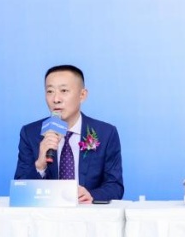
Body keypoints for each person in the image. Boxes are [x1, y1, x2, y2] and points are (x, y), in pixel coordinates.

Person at [14, 65, 124, 203]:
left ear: (82, 95)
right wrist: (40, 165)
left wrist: (91, 195)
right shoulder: (31, 133)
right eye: (50, 91)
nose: (56, 99)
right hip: (46, 213)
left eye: (64, 90)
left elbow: (115, 186)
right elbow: (20, 191)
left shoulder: (105, 133)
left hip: (88, 212)